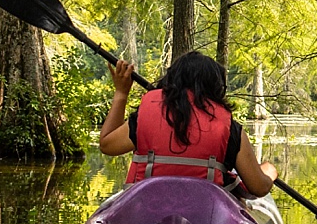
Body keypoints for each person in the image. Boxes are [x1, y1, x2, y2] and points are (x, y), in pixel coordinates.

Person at [99, 51, 277, 197]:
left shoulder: (144, 117)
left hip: (146, 211)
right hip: (204, 220)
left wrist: (121, 93)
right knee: (263, 170)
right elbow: (259, 187)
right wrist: (270, 172)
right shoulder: (230, 128)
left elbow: (107, 144)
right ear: (216, 88)